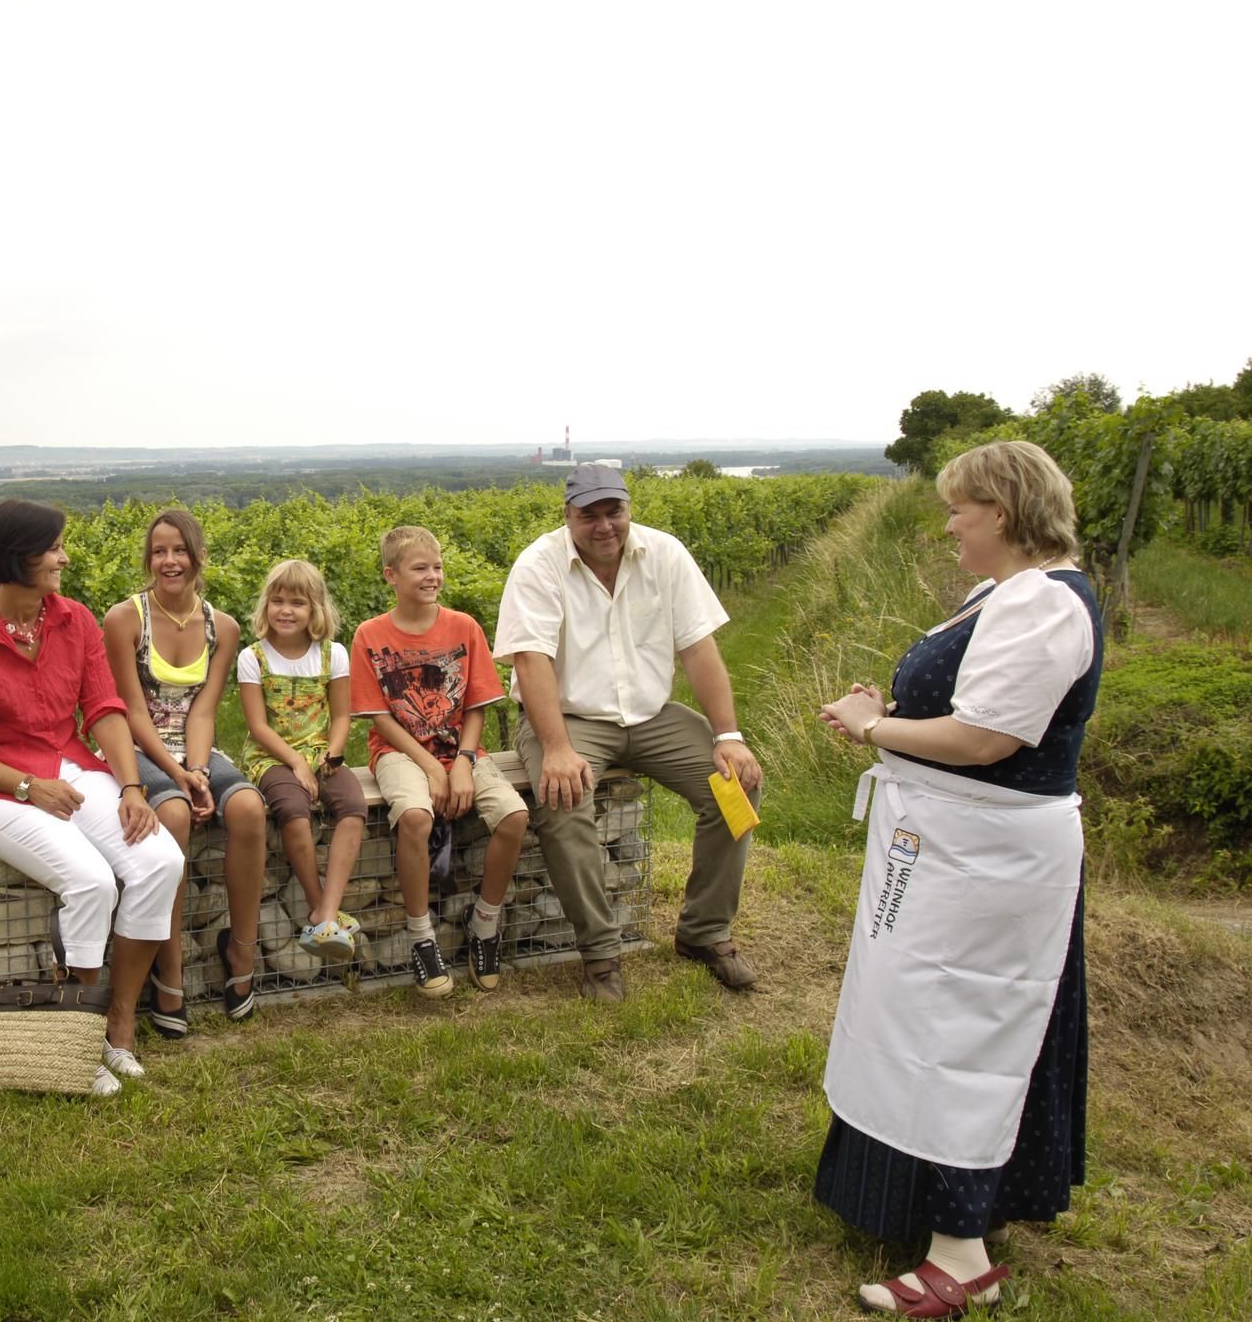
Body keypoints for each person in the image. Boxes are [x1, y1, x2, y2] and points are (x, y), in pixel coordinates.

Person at [813, 441, 1102, 1316]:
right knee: (920, 1013)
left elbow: (987, 741)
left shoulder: (1047, 606)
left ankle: (961, 1252)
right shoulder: (1008, 596)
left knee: (965, 1028)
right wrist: (896, 716)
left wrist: (874, 731)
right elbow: (966, 713)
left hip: (991, 863)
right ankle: (929, 1205)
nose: (948, 526)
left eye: (958, 511)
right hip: (953, 847)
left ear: (1003, 514)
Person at [0, 499, 184, 1097]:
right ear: (18, 558)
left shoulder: (75, 620)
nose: (64, 558)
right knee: (92, 881)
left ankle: (117, 1024)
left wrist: (131, 786)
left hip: (71, 767)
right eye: (54, 548)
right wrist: (26, 786)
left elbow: (103, 709)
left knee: (161, 861)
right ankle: (75, 1035)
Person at [494, 464, 764, 1004]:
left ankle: (704, 932)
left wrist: (728, 733)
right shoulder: (539, 563)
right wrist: (557, 748)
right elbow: (531, 659)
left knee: (735, 783)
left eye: (613, 511)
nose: (603, 525)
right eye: (587, 515)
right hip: (568, 717)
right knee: (563, 797)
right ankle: (600, 954)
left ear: (628, 508)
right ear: (567, 516)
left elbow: (699, 650)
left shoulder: (665, 554)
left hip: (650, 714)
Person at [103, 509, 268, 1029]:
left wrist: (196, 769)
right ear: (148, 560)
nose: (169, 561)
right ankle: (167, 969)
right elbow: (130, 710)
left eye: (179, 550)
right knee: (172, 815)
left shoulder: (223, 627)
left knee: (247, 807)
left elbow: (202, 710)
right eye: (159, 551)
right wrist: (179, 780)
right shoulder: (124, 619)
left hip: (191, 747)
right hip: (137, 748)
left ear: (198, 556)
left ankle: (242, 951)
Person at [350, 526, 529, 997]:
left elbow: (475, 706)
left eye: (438, 567)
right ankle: (420, 937)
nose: (433, 576)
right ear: (391, 575)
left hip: (460, 747)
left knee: (513, 817)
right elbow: (378, 719)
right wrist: (431, 769)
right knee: (413, 816)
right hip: (398, 750)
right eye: (420, 568)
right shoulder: (369, 635)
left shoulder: (464, 627)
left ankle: (484, 927)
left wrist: (464, 762)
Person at [236, 558, 369, 962]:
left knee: (353, 806)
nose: (286, 610)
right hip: (273, 755)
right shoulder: (253, 657)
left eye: (297, 602)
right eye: (277, 601)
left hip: (320, 751)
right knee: (293, 808)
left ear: (315, 609)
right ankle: (321, 912)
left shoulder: (333, 655)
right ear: (266, 607)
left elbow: (342, 716)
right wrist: (296, 763)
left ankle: (325, 913)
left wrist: (328, 757)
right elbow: (258, 726)